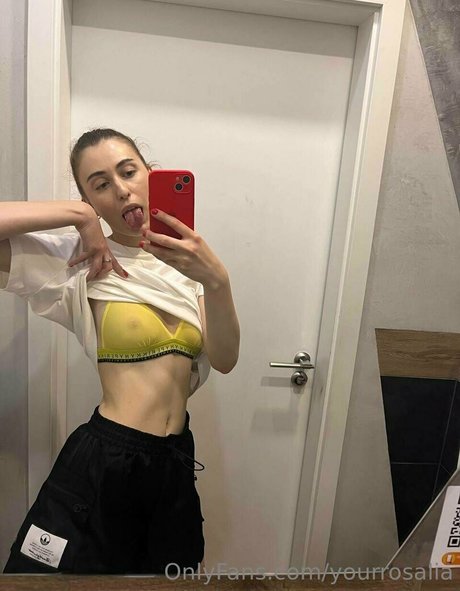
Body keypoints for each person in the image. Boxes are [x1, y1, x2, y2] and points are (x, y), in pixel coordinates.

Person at [0, 128, 240, 575]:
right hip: (105, 460)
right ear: (90, 200)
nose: (122, 189)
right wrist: (78, 217)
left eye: (128, 172)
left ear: (151, 173)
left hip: (174, 462)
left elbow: (225, 360)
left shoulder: (189, 264)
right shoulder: (81, 261)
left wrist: (217, 281)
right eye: (100, 184)